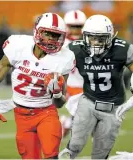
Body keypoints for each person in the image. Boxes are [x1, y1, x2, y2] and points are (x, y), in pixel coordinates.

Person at [0, 12, 75, 159]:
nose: (52, 39)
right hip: (22, 115)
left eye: (56, 35)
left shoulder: (65, 58)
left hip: (46, 113)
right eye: (48, 34)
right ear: (37, 31)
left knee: (52, 155)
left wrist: (57, 93)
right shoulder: (18, 46)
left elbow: (59, 104)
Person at [59, 14, 133, 159]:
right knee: (75, 144)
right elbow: (59, 71)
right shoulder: (75, 49)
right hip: (88, 100)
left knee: (101, 152)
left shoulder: (122, 49)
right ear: (84, 36)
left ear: (111, 37)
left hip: (114, 105)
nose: (96, 42)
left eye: (101, 38)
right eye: (92, 37)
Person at [61, 9, 86, 137]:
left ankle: (66, 123)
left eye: (79, 27)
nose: (76, 30)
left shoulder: (91, 42)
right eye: (72, 26)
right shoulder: (60, 43)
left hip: (86, 84)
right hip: (70, 84)